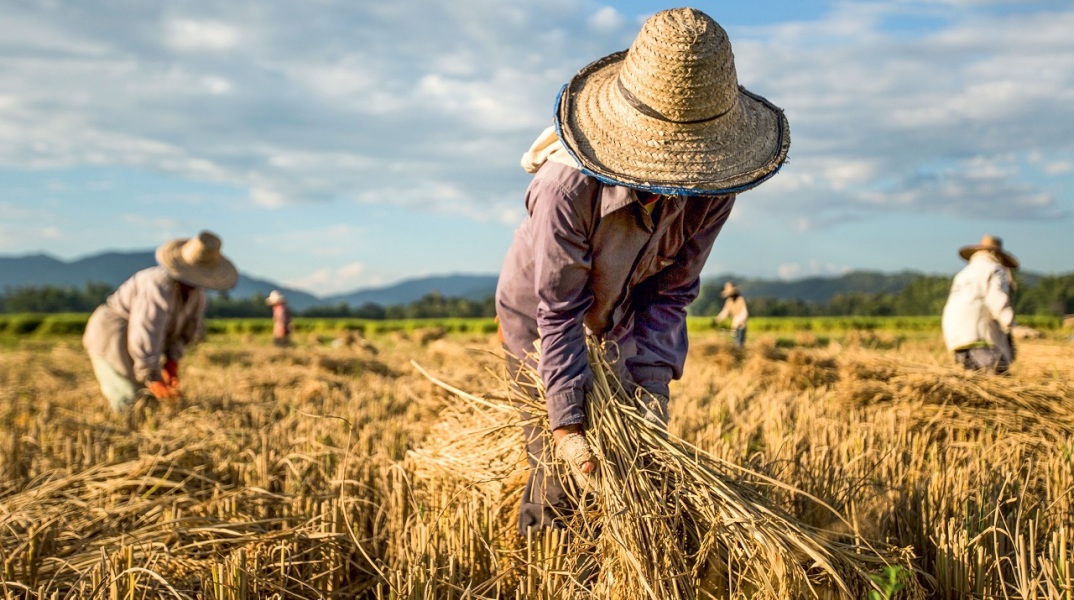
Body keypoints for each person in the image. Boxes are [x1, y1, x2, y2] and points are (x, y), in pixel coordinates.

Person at [495, 7, 790, 533]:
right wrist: (566, 424)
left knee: (637, 452)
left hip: (622, 309)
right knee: (556, 459)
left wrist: (651, 388)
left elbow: (671, 293)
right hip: (543, 315)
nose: (677, 181)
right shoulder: (565, 189)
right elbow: (558, 309)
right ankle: (548, 553)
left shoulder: (713, 187)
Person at [82, 231, 238, 413]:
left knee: (148, 400)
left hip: (139, 340)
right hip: (113, 335)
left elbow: (186, 331)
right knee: (129, 397)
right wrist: (152, 374)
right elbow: (146, 330)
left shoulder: (197, 296)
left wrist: (172, 363)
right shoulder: (156, 284)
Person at [941, 234, 1019, 374]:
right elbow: (996, 299)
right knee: (999, 380)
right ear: (996, 253)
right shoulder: (994, 269)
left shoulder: (962, 274)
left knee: (976, 386)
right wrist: (1010, 323)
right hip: (980, 337)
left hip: (956, 338)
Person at [714, 281, 749, 347]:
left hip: (741, 325)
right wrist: (716, 320)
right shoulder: (729, 301)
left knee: (739, 344)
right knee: (733, 343)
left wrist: (739, 320)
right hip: (734, 325)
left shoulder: (740, 300)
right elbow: (725, 312)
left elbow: (744, 313)